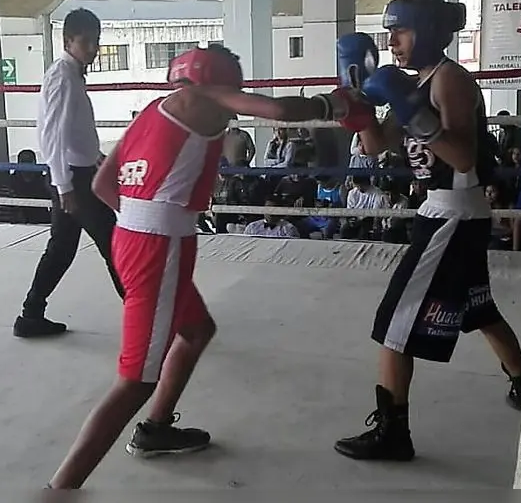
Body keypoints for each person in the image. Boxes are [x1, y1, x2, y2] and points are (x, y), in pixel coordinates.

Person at [46, 43, 376, 489]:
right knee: (136, 379)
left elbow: (105, 183)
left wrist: (143, 220)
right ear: (216, 82)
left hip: (137, 236)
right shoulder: (204, 99)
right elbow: (277, 108)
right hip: (158, 247)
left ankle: (156, 429)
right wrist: (337, 103)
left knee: (197, 331)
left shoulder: (152, 108)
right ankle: (60, 489)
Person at [331, 0, 521, 462]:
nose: (393, 40)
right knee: (477, 308)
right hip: (442, 212)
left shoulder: (449, 80)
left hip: (454, 212)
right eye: (389, 32)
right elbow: (378, 145)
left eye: (400, 30)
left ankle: (392, 432)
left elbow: (463, 155)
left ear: (428, 32)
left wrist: (411, 109)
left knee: (394, 325)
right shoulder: (415, 84)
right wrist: (358, 107)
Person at [14, 8, 125, 338]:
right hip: (74, 180)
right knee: (114, 245)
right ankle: (145, 319)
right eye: (86, 42)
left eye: (96, 42)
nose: (92, 49)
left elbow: (73, 132)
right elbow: (52, 136)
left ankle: (30, 314)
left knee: (62, 249)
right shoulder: (62, 76)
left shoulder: (72, 73)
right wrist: (64, 187)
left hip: (78, 174)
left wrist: (95, 156)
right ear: (68, 41)